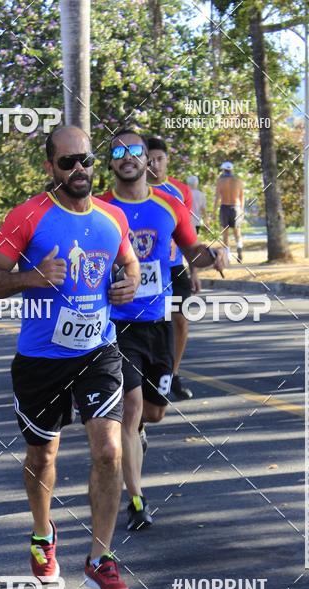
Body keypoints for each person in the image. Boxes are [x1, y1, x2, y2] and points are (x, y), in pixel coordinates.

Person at [0, 125, 140, 589]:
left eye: (85, 159)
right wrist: (32, 276)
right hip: (41, 359)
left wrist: (127, 282)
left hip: (97, 350)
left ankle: (99, 558)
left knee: (108, 451)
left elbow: (126, 262)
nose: (79, 169)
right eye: (67, 162)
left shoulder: (112, 218)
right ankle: (44, 533)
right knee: (42, 455)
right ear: (50, 168)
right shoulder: (27, 216)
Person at [100, 128, 226, 531]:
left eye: (134, 150)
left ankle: (136, 439)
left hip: (160, 322)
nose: (127, 157)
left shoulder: (169, 206)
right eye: (118, 151)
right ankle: (136, 501)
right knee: (131, 409)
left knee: (153, 413)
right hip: (117, 325)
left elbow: (193, 254)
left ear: (146, 159)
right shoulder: (98, 207)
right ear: (111, 162)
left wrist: (215, 252)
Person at [146, 135, 196, 401]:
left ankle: (172, 376)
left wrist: (195, 272)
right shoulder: (133, 191)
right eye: (149, 159)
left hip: (175, 268)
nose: (154, 164)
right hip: (142, 272)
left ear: (167, 160)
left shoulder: (180, 191)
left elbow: (190, 236)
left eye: (159, 159)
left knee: (180, 321)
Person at [213, 162, 244, 263]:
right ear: (232, 170)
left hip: (224, 207)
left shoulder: (220, 181)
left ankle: (228, 256)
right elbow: (242, 197)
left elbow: (217, 197)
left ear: (223, 170)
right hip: (236, 207)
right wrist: (242, 209)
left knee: (225, 234)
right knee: (237, 232)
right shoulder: (238, 181)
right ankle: (239, 248)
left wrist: (214, 211)